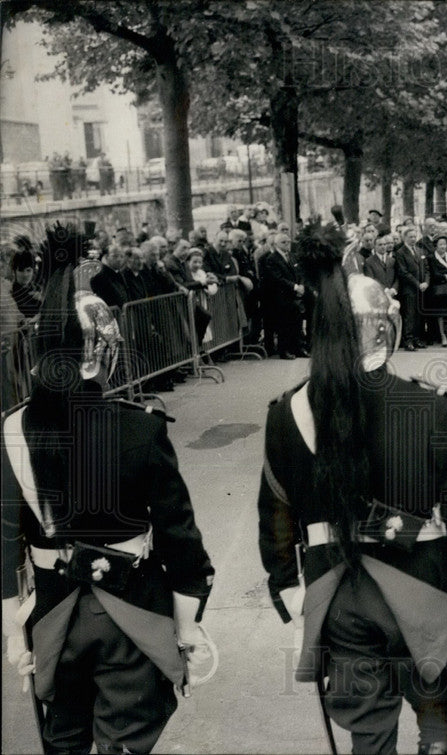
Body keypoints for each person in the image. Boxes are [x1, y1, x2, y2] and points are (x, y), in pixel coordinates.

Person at [257, 222, 447, 755]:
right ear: (384, 329)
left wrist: (294, 595)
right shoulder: (432, 407)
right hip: (424, 587)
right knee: (439, 722)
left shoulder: (285, 415)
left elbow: (275, 516)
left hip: (337, 594)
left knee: (368, 737)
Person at [1, 224, 216, 755]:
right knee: (125, 742)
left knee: (64, 739)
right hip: (131, 608)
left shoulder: (9, 431)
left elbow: (5, 550)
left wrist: (13, 633)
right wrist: (188, 627)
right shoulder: (139, 426)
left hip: (51, 615)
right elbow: (181, 540)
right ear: (100, 352)